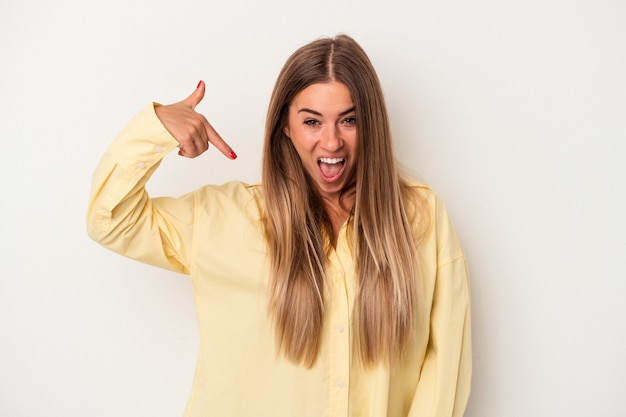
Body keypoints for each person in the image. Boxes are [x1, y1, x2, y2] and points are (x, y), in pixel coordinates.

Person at [87, 34, 471, 417]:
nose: (332, 141)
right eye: (312, 121)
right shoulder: (225, 218)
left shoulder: (421, 217)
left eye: (349, 120)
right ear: (285, 126)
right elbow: (110, 218)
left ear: (372, 125)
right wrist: (155, 129)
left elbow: (445, 367)